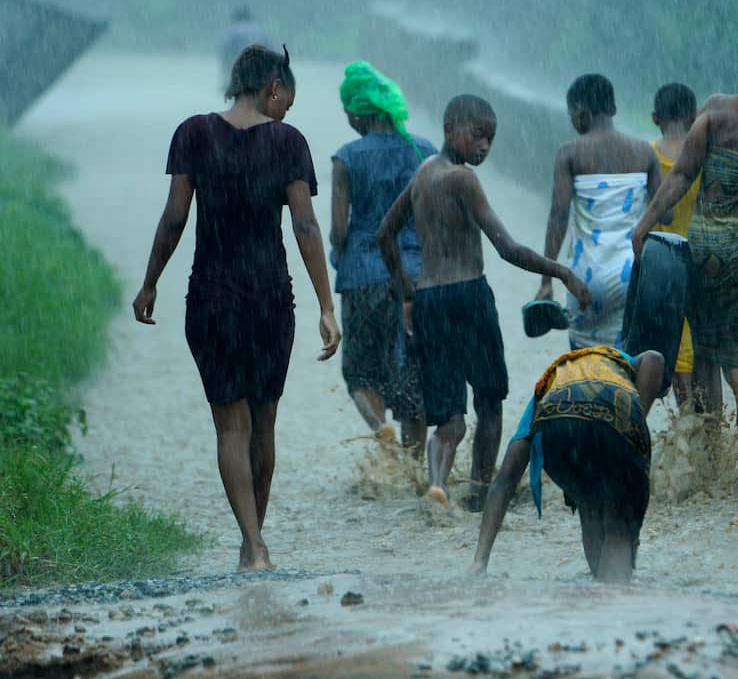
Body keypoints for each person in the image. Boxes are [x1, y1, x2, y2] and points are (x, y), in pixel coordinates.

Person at [132, 44, 341, 572]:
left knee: (230, 427)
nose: (286, 112)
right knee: (265, 424)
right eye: (285, 100)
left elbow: (174, 218)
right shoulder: (289, 142)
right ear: (273, 87)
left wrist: (150, 282)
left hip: (212, 297)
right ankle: (254, 546)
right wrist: (326, 305)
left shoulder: (194, 133)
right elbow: (305, 226)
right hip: (271, 297)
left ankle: (253, 543)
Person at [378, 94, 592, 511]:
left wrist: (407, 289)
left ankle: (438, 484)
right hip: (469, 296)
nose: (484, 147)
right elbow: (507, 248)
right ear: (449, 129)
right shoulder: (463, 180)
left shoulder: (422, 174)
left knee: (449, 417)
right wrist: (561, 272)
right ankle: (480, 494)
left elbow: (385, 234)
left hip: (429, 301)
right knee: (490, 400)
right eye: (477, 136)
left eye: (491, 139)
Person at [632, 8, 738, 490]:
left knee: (705, 358)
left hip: (705, 254)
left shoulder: (715, 112)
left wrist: (644, 225)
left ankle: (708, 464)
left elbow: (681, 176)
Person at [469, 347, 664, 583]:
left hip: (556, 425)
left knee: (588, 504)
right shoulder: (621, 363)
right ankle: (615, 595)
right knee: (619, 523)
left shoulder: (553, 383)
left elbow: (505, 479)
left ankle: (596, 591)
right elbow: (655, 359)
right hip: (614, 418)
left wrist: (480, 560)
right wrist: (635, 422)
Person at [329, 61, 434, 458]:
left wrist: (338, 248)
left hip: (362, 276)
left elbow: (340, 230)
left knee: (360, 371)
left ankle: (380, 428)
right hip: (416, 275)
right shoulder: (424, 152)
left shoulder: (347, 158)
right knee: (412, 374)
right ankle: (414, 465)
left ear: (358, 112)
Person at [537, 74, 661, 349]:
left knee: (585, 359)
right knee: (628, 356)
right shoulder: (644, 152)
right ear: (614, 109)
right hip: (633, 274)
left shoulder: (569, 153)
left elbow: (559, 215)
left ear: (579, 111)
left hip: (586, 277)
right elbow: (666, 214)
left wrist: (547, 280)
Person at [649, 82, 701, 408]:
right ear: (695, 116)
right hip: (700, 262)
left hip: (661, 267)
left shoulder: (647, 156)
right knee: (697, 349)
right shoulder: (704, 157)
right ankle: (700, 433)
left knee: (665, 349)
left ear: (655, 117)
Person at [220, 7, 268, 85]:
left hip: (240, 62)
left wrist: (226, 76)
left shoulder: (234, 29)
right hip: (259, 62)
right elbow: (269, 46)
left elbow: (226, 50)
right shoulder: (258, 28)